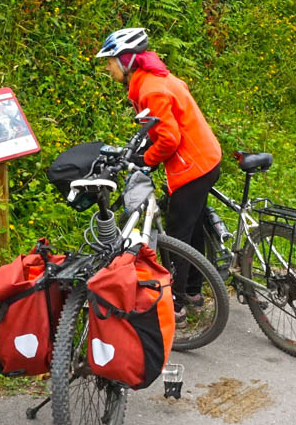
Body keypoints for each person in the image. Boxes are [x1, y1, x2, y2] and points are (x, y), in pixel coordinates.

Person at [95, 27, 222, 320]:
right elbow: (159, 128)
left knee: (178, 235)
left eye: (110, 60)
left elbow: (168, 139)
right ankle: (193, 292)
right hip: (206, 157)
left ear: (126, 60)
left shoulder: (150, 88)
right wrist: (143, 152)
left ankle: (174, 305)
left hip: (193, 167)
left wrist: (145, 162)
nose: (107, 67)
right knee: (194, 227)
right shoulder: (155, 79)